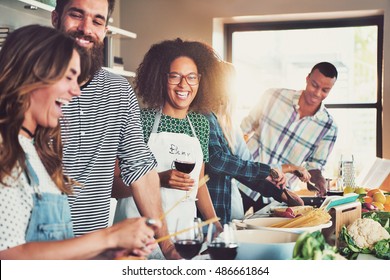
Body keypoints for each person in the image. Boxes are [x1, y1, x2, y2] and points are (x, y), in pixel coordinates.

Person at [0, 24, 160, 260]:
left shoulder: (33, 151)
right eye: (69, 78)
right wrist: (109, 237)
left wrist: (106, 255)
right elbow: (7, 257)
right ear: (32, 74)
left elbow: (47, 252)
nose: (76, 91)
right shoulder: (5, 150)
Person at [51, 0, 177, 258]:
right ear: (55, 19)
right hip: (34, 253)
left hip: (96, 254)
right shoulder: (25, 89)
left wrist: (167, 246)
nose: (86, 28)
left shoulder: (118, 90)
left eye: (97, 21)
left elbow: (140, 168)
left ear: (105, 30)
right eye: (76, 15)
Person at [113, 38, 223, 259]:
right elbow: (113, 186)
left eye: (191, 77)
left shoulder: (200, 124)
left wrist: (215, 223)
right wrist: (159, 179)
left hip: (184, 237)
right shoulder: (139, 121)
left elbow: (198, 183)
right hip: (137, 238)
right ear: (161, 78)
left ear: (201, 80)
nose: (184, 85)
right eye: (175, 76)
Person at [205, 62, 302, 224]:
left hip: (223, 213)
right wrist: (266, 170)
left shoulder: (224, 123)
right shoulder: (203, 117)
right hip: (207, 217)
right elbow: (217, 161)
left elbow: (240, 171)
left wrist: (280, 194)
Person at [241, 62, 338, 208]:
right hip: (243, 180)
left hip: (276, 195)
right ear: (307, 78)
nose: (317, 93)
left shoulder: (329, 127)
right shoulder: (273, 96)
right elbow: (243, 129)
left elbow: (314, 166)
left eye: (325, 90)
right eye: (314, 85)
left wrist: (319, 180)